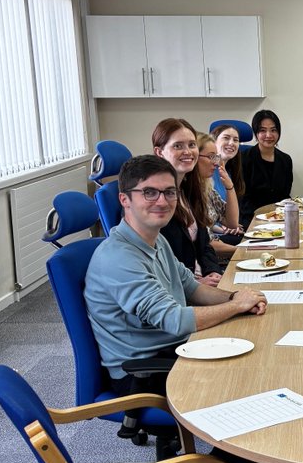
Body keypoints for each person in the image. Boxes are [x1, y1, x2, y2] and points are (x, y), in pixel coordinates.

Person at [84, 154, 267, 389]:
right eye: (149, 192)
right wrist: (235, 306)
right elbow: (174, 320)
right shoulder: (118, 258)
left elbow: (191, 288)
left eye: (170, 192)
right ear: (125, 199)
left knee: (259, 350)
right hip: (144, 372)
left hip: (174, 348)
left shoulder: (155, 239)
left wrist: (235, 297)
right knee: (249, 379)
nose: (162, 201)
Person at [152, 117, 222, 285]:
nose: (188, 152)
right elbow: (159, 262)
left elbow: (204, 245)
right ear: (159, 152)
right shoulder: (155, 201)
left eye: (192, 145)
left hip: (203, 281)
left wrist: (213, 271)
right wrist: (195, 285)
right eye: (178, 146)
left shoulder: (188, 189)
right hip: (181, 292)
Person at [240, 109, 293, 227]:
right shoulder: (243, 159)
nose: (268, 135)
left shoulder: (286, 160)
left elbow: (285, 196)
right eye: (262, 130)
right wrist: (263, 217)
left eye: (273, 130)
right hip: (252, 219)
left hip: (279, 218)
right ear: (256, 133)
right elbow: (242, 198)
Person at [196, 131, 242, 261]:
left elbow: (232, 223)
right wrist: (243, 252)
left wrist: (230, 187)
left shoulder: (206, 186)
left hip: (212, 254)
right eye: (211, 157)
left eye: (216, 157)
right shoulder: (186, 194)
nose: (216, 163)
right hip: (203, 263)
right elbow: (206, 245)